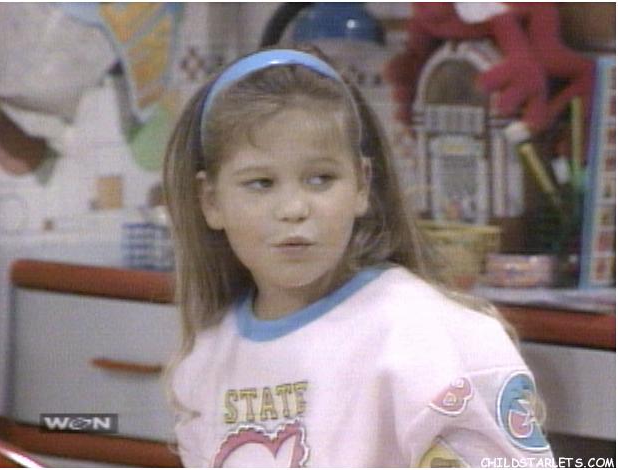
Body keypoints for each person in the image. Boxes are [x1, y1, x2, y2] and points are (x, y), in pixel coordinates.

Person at [163, 47, 553, 467]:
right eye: (261, 183)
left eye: (320, 179)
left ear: (361, 184)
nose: (294, 208)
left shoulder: (431, 341)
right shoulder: (209, 358)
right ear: (211, 201)